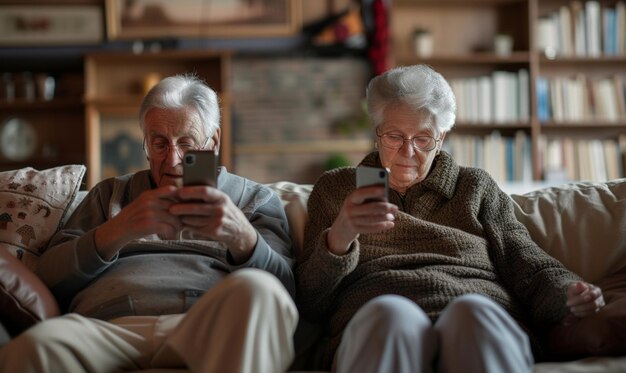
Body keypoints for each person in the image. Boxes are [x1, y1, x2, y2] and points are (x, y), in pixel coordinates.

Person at [295, 64, 605, 373]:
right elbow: (311, 300)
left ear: (441, 137)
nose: (408, 150)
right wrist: (340, 237)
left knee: (473, 313)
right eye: (394, 136)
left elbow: (524, 259)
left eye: (423, 138)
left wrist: (567, 290)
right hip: (376, 313)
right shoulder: (337, 189)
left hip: (474, 303)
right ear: (377, 133)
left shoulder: (475, 187)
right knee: (391, 315)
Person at [0, 74, 298, 373]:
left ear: (214, 141)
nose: (172, 160)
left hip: (209, 329)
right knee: (34, 347)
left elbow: (282, 293)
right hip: (110, 330)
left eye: (186, 143)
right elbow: (51, 278)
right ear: (145, 144)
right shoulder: (109, 193)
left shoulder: (255, 199)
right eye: (159, 144)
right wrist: (117, 230)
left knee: (258, 288)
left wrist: (244, 239)